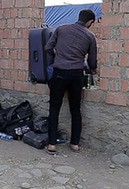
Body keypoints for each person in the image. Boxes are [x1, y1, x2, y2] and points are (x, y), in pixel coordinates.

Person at [44, 9, 97, 154]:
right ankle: (75, 144)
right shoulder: (90, 36)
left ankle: (52, 144)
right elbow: (92, 62)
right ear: (90, 22)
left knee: (54, 109)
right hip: (76, 75)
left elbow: (48, 47)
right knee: (75, 109)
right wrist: (92, 70)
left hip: (59, 73)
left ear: (79, 17)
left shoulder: (61, 29)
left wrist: (56, 59)